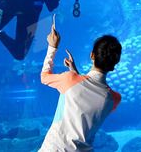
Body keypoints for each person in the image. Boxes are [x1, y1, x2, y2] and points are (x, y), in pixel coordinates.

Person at [39, 16, 122, 151]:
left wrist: (52, 47)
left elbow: (44, 77)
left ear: (92, 55)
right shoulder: (114, 99)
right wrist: (75, 72)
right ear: (114, 65)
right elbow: (88, 97)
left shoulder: (69, 80)